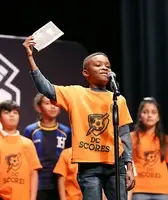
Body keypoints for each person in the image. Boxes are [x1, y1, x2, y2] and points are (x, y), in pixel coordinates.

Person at [23, 36, 135, 200]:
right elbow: (46, 88)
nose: (104, 68)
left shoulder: (118, 99)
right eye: (98, 65)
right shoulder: (76, 93)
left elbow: (124, 134)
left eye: (107, 66)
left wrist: (129, 166)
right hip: (89, 165)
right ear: (85, 72)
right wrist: (30, 57)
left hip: (115, 164)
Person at [24, 93, 71, 200]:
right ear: (38, 107)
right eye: (47, 103)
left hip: (60, 184)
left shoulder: (66, 132)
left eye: (55, 103)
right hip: (38, 184)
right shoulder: (31, 131)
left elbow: (68, 160)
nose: (53, 106)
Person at [129, 97, 168, 200]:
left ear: (158, 117)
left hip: (161, 189)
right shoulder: (131, 137)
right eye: (145, 112)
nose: (149, 115)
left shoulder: (164, 139)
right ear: (140, 116)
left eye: (153, 112)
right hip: (139, 189)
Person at [0, 100, 42, 200]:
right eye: (7, 112)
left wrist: (32, 198)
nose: (11, 115)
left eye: (15, 112)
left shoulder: (28, 143)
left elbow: (33, 173)